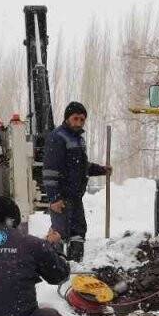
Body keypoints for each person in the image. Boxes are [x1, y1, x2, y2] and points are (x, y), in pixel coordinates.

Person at [42, 101, 111, 262]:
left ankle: (74, 265)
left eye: (82, 120)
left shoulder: (78, 140)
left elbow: (80, 167)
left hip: (75, 196)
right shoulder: (57, 138)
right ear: (67, 118)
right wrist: (54, 198)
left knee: (78, 232)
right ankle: (52, 267)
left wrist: (101, 169)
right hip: (62, 196)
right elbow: (50, 171)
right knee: (60, 232)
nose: (79, 123)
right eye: (75, 119)